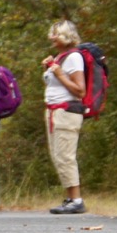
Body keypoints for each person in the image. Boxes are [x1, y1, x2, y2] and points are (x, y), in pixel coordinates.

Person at [43, 20, 87, 214]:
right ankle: (70, 197)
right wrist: (50, 68)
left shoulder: (74, 57)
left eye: (55, 34)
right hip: (54, 111)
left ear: (65, 36)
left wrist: (59, 73)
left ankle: (76, 199)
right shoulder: (61, 57)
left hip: (66, 111)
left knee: (65, 156)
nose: (51, 37)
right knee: (58, 156)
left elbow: (80, 90)